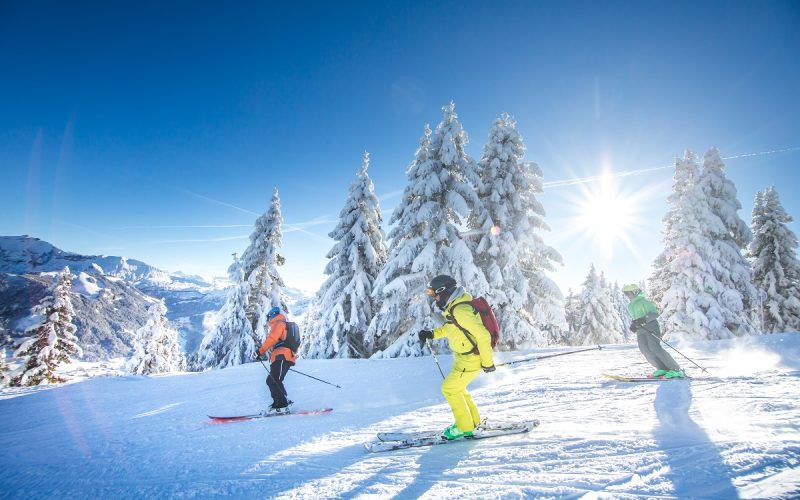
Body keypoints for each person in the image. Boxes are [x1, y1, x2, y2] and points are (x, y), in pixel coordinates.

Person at [418, 275, 496, 440]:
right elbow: (451, 329)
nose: (435, 299)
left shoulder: (461, 310)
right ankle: (473, 422)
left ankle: (464, 427)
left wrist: (488, 363)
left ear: (444, 292)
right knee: (458, 389)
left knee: (449, 389)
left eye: (435, 295)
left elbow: (483, 336)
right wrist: (431, 334)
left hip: (470, 360)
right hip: (462, 359)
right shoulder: (454, 307)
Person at [623, 284, 684, 379]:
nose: (627, 296)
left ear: (635, 292)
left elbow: (654, 314)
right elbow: (636, 317)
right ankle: (662, 368)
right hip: (640, 329)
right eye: (625, 294)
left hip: (651, 326)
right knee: (644, 349)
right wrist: (634, 324)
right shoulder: (630, 305)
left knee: (654, 347)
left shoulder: (643, 301)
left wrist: (643, 319)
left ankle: (675, 369)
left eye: (628, 293)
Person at [254, 306, 297, 413]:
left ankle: (281, 404)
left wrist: (260, 351)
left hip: (281, 356)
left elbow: (271, 339)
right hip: (282, 357)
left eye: (268, 317)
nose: (268, 320)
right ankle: (282, 401)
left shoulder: (278, 323)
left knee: (273, 380)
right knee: (274, 380)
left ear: (272, 315)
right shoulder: (281, 324)